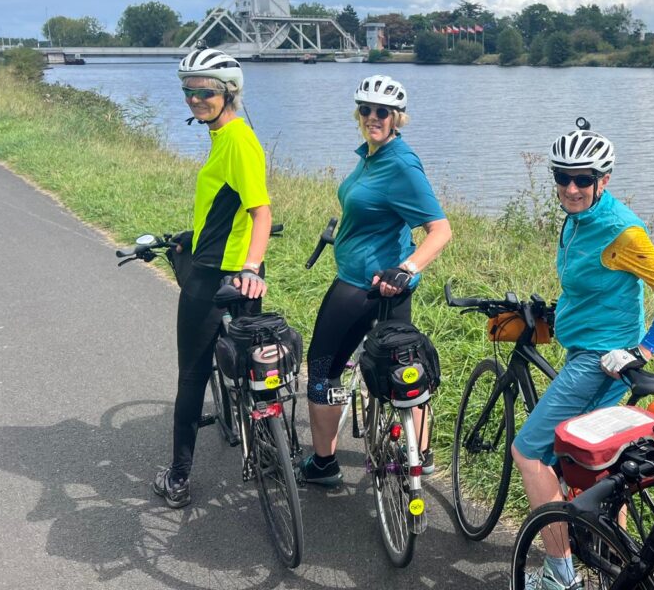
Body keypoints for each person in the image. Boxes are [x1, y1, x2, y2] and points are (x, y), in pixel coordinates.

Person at [512, 125, 654, 590]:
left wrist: (642, 349)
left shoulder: (621, 230)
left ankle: (559, 576)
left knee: (529, 453)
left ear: (603, 180)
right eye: (563, 177)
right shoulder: (577, 217)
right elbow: (588, 283)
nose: (571, 188)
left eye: (583, 179)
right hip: (582, 347)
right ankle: (617, 560)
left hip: (599, 360)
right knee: (597, 464)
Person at [301, 75, 451, 486]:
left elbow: (440, 230)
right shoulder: (371, 155)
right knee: (400, 368)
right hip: (376, 286)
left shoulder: (400, 163)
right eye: (366, 110)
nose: (373, 117)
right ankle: (419, 455)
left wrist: (407, 268)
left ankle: (324, 464)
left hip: (360, 287)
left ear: (397, 117)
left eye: (382, 112)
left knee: (321, 370)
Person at [153, 48, 272, 508]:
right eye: (188, 90)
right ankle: (267, 452)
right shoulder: (224, 137)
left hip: (217, 278)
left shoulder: (237, 141)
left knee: (192, 376)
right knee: (253, 369)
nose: (194, 98)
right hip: (236, 273)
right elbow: (229, 208)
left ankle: (179, 477)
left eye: (205, 91)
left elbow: (261, 212)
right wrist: (192, 236)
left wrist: (248, 266)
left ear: (229, 94)